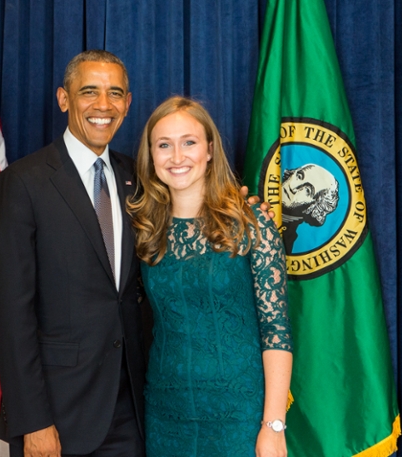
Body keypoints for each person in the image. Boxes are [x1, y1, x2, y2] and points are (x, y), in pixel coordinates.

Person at [0, 50, 146, 457]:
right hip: (57, 415)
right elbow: (10, 313)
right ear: (64, 99)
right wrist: (32, 421)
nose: (103, 106)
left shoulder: (140, 180)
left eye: (115, 94)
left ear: (128, 104)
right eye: (89, 92)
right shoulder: (22, 184)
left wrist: (249, 211)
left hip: (135, 411)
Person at [127, 96, 293, 457]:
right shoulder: (143, 229)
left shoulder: (252, 223)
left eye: (189, 142)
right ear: (151, 156)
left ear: (210, 150)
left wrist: (273, 425)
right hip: (166, 413)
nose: (177, 156)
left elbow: (276, 329)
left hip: (240, 415)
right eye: (164, 145)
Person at [281, 164, 339, 252]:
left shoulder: (286, 245)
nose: (293, 187)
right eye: (299, 176)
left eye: (307, 190)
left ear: (313, 207)